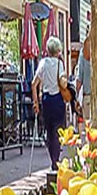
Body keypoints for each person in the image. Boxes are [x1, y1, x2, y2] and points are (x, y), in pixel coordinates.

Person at [32, 36, 69, 170]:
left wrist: (36, 102)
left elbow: (33, 84)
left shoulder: (43, 63)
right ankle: (56, 160)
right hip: (58, 99)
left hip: (46, 100)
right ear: (58, 50)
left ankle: (52, 160)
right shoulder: (60, 64)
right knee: (58, 130)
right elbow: (63, 81)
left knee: (49, 130)